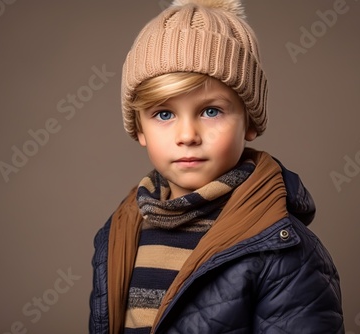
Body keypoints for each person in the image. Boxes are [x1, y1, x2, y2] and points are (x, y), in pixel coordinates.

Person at [89, 0, 344, 333]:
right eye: (164, 114)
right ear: (139, 129)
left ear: (249, 122)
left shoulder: (285, 251)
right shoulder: (120, 233)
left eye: (211, 111)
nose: (187, 135)